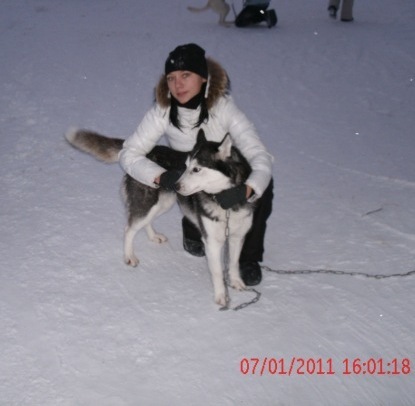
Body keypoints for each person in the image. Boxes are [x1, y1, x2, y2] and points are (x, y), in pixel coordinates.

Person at [119, 43, 273, 286]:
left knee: (263, 185)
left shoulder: (223, 108)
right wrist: (158, 176)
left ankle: (247, 258)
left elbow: (259, 155)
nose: (177, 84)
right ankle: (193, 229)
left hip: (220, 164)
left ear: (203, 78)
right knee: (189, 175)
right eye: (171, 78)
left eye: (186, 75)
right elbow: (129, 153)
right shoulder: (163, 110)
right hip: (186, 164)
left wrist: (248, 189)